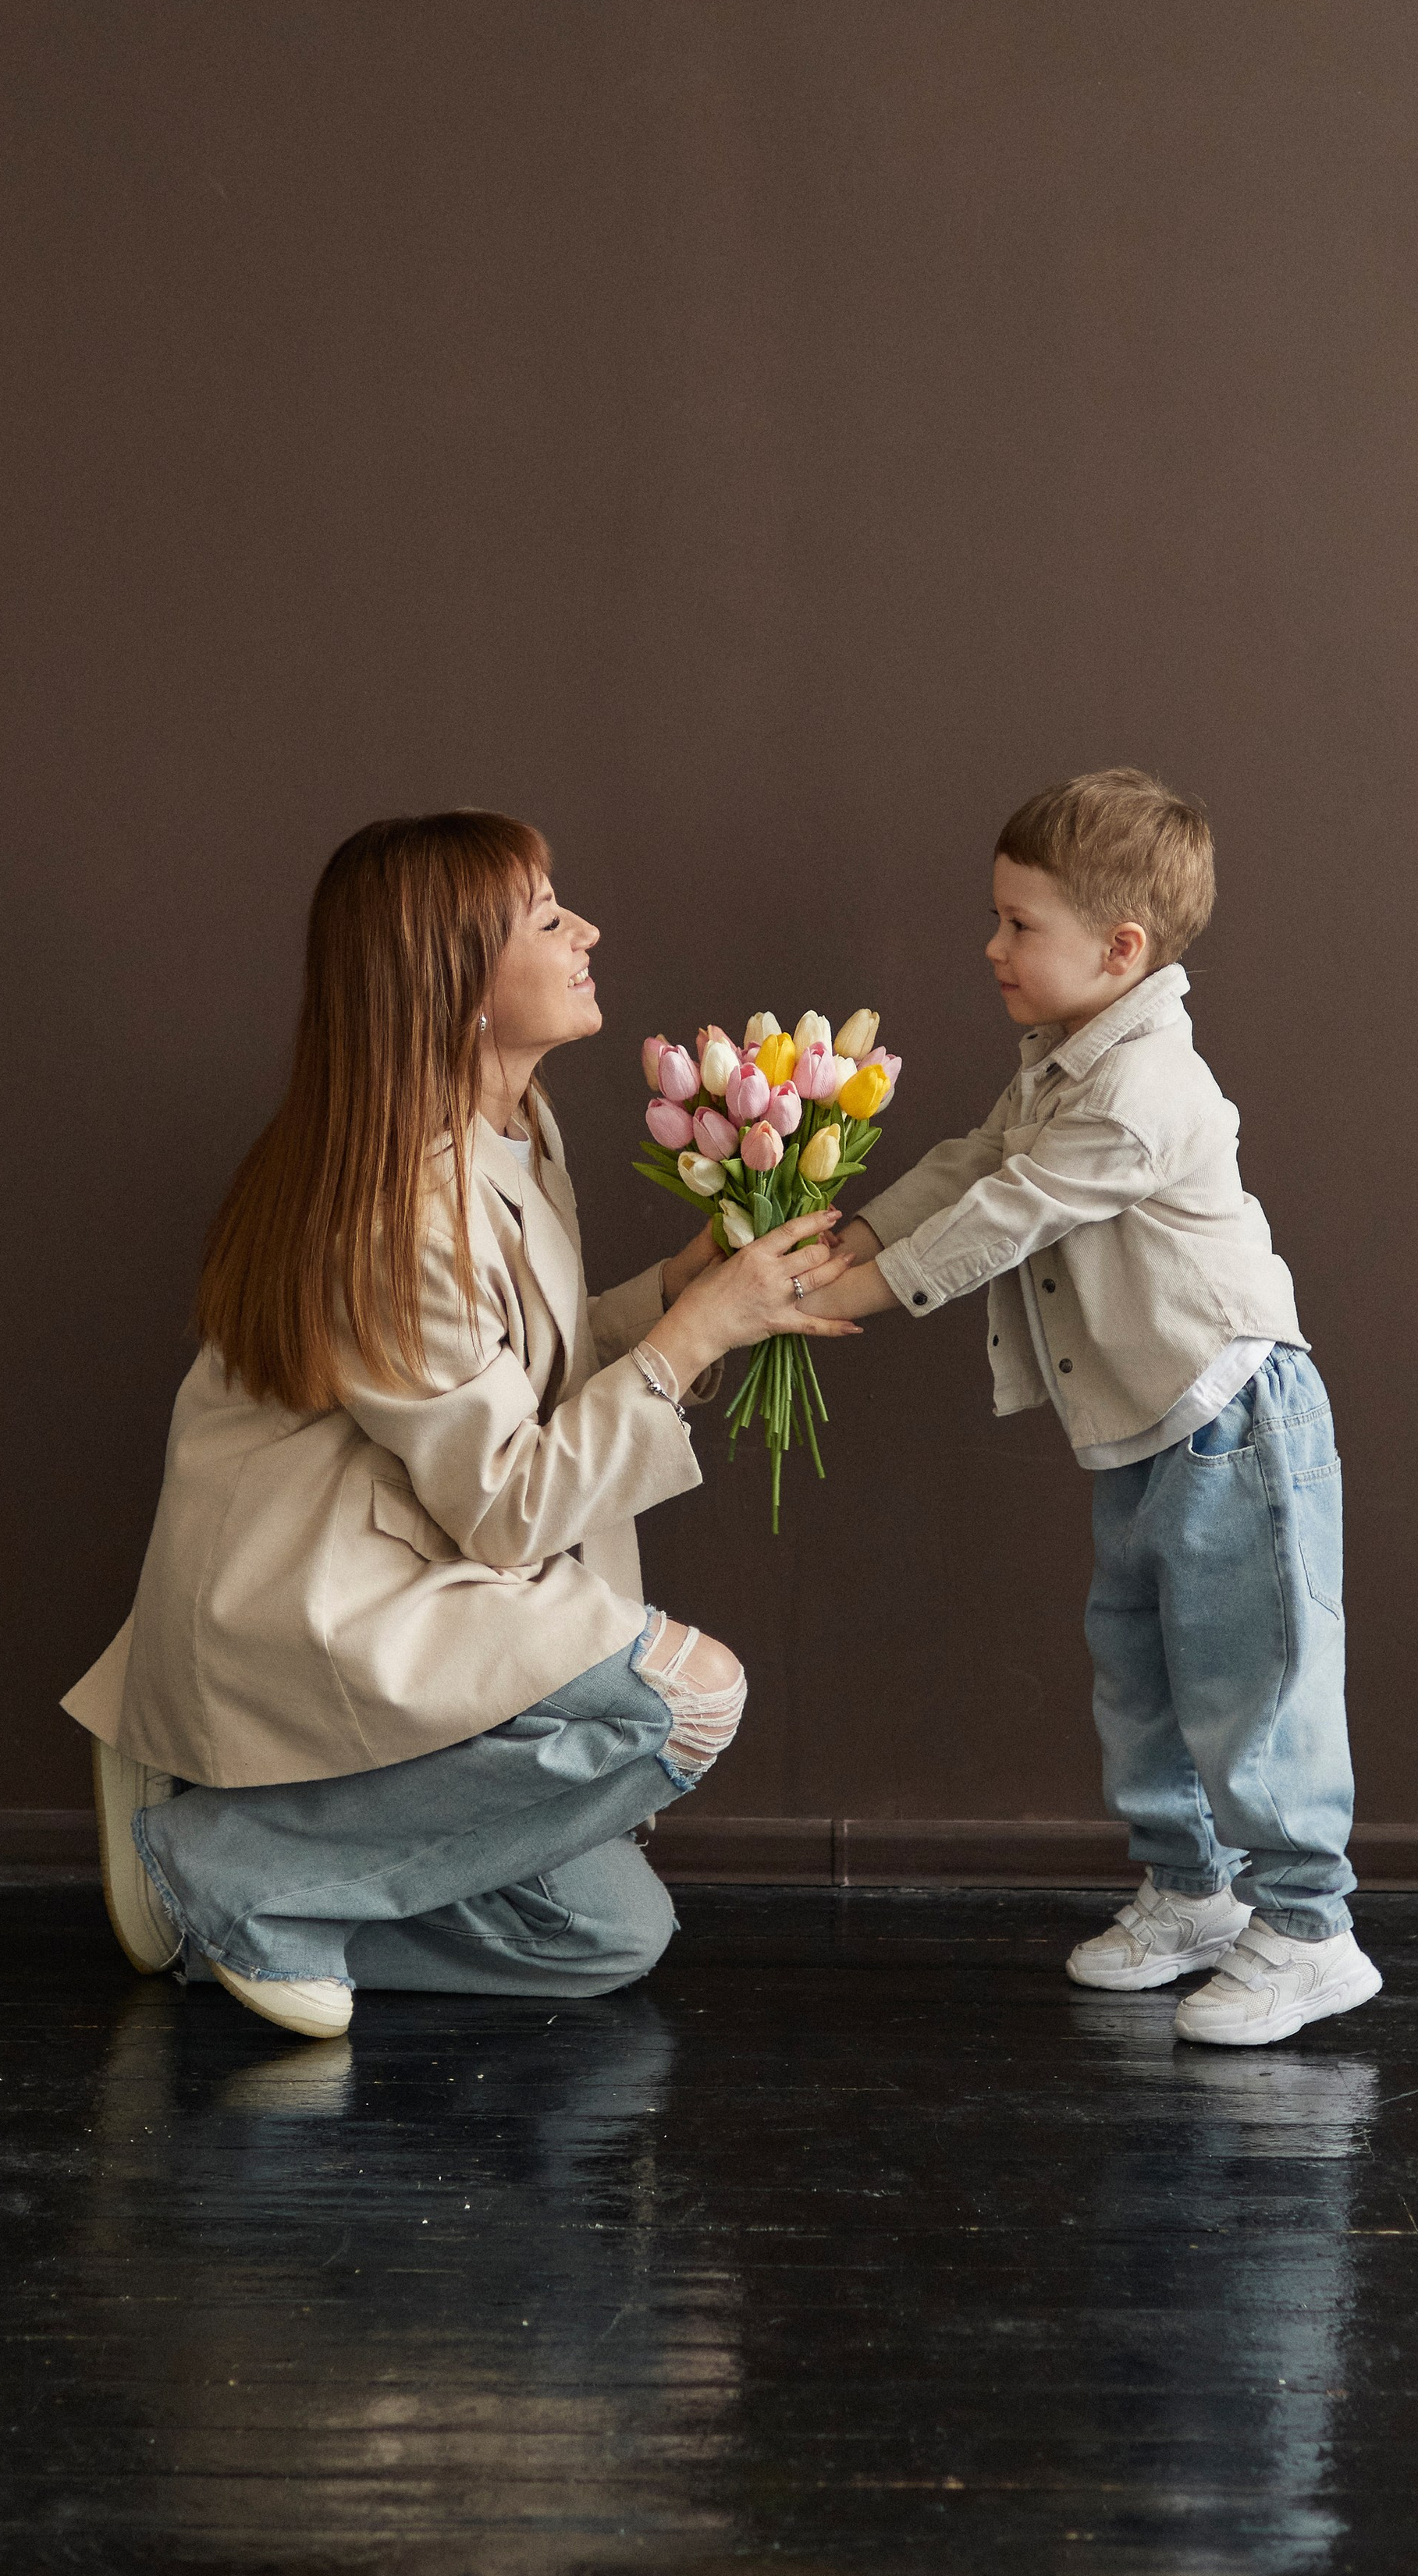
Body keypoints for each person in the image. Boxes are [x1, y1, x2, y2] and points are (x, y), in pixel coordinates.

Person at [62, 811, 855, 2039]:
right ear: (455, 984)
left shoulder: (511, 1130)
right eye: (547, 918)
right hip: (338, 1592)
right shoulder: (400, 1205)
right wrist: (697, 1337)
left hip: (421, 1549)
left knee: (609, 1936)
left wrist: (680, 1295)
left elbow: (506, 1374)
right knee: (688, 1701)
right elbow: (506, 1505)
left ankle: (225, 1873)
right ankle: (241, 1863)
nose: (585, 931)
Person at [821, 769, 1380, 2047]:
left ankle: (1309, 1926)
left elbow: (1015, 1215)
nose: (992, 947)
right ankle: (1192, 1891)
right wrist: (857, 1226)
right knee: (1138, 1670)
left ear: (1120, 948)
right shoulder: (1065, 1062)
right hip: (1145, 1424)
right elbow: (976, 1162)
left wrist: (868, 1287)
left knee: (1256, 1675)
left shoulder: (1144, 1094)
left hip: (1232, 1418)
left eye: (1021, 924)